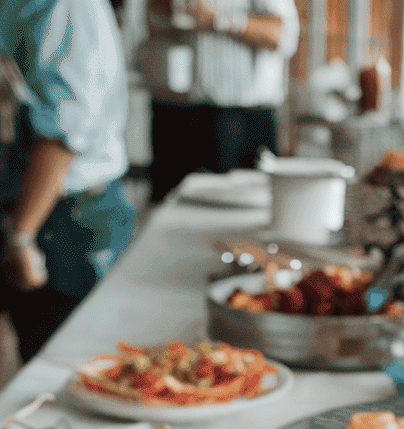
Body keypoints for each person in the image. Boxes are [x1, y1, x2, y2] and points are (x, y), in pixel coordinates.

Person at [0, 0, 135, 364]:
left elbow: (62, 136)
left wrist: (21, 237)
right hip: (28, 205)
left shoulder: (67, 6)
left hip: (67, 216)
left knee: (66, 369)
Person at [137, 0, 300, 204]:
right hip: (173, 113)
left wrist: (219, 19)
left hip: (237, 120)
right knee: (167, 212)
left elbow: (281, 35)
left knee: (236, 220)